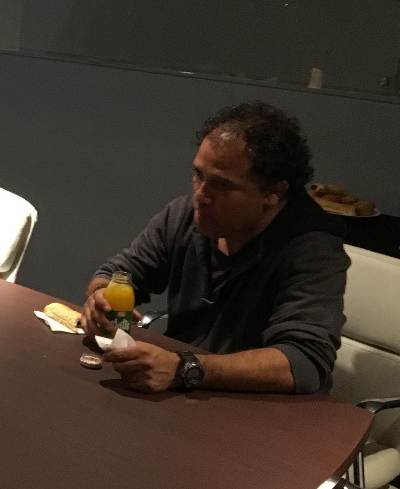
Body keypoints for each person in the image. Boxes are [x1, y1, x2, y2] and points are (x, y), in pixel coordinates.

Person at [81, 101, 348, 395]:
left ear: (273, 192)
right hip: (185, 394)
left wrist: (184, 368)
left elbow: (303, 362)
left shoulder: (312, 249)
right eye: (198, 174)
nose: (201, 195)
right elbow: (119, 272)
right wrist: (99, 297)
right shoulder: (185, 216)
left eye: (223, 185)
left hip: (260, 407)